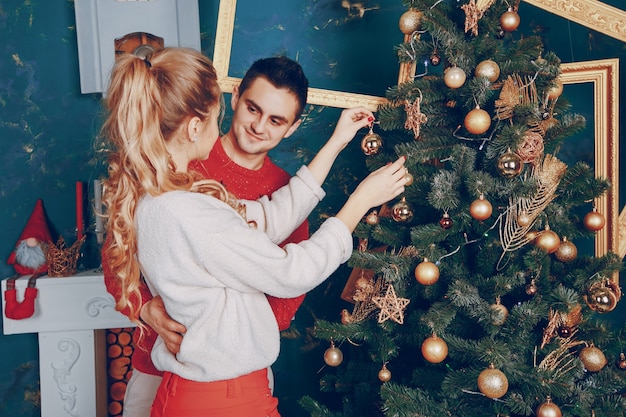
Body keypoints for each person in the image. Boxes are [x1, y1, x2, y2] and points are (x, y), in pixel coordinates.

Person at [101, 47, 407, 417]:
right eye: (220, 116)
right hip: (218, 394)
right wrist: (360, 201)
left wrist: (337, 142)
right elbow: (290, 272)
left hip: (211, 386)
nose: (257, 126)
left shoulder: (169, 196)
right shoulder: (189, 209)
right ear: (197, 125)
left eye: (276, 120)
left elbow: (274, 217)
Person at [103, 55, 312, 417]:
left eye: (276, 120)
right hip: (158, 361)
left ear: (291, 128)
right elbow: (117, 255)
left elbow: (286, 295)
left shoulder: (287, 194)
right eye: (252, 108)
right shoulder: (179, 156)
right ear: (234, 98)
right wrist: (144, 308)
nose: (259, 126)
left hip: (234, 375)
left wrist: (215, 328)